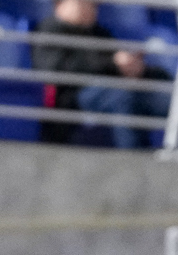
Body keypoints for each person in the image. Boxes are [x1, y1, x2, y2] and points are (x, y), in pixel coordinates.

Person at [32, 0, 169, 150]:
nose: (92, 8)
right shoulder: (49, 30)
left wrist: (132, 67)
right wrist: (112, 63)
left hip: (108, 89)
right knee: (121, 96)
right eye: (84, 3)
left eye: (94, 5)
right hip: (73, 98)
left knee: (159, 95)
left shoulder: (99, 33)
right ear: (61, 4)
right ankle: (135, 157)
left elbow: (113, 60)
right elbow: (55, 69)